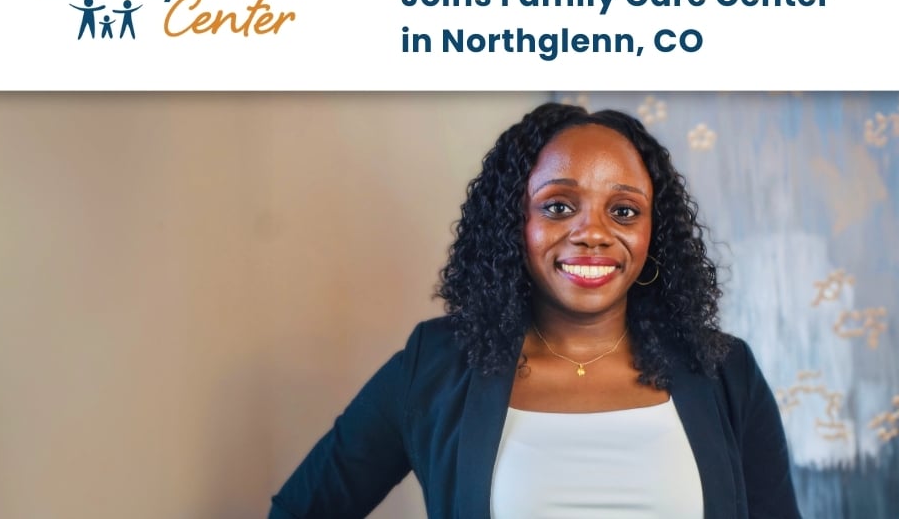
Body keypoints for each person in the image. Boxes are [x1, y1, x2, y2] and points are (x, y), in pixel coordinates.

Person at [268, 103, 801, 518]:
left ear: (652, 232)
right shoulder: (434, 366)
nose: (593, 232)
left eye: (623, 210)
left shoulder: (724, 372)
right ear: (513, 225)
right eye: (559, 206)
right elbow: (301, 510)